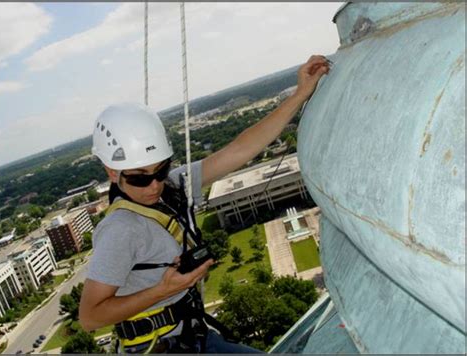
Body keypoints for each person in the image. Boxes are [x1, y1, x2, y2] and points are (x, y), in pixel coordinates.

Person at [79, 55, 330, 353]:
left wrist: (300, 94)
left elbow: (240, 149)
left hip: (194, 336)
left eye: (160, 170)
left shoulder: (174, 188)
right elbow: (90, 317)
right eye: (140, 178)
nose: (155, 185)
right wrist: (164, 290)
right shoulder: (120, 230)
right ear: (111, 172)